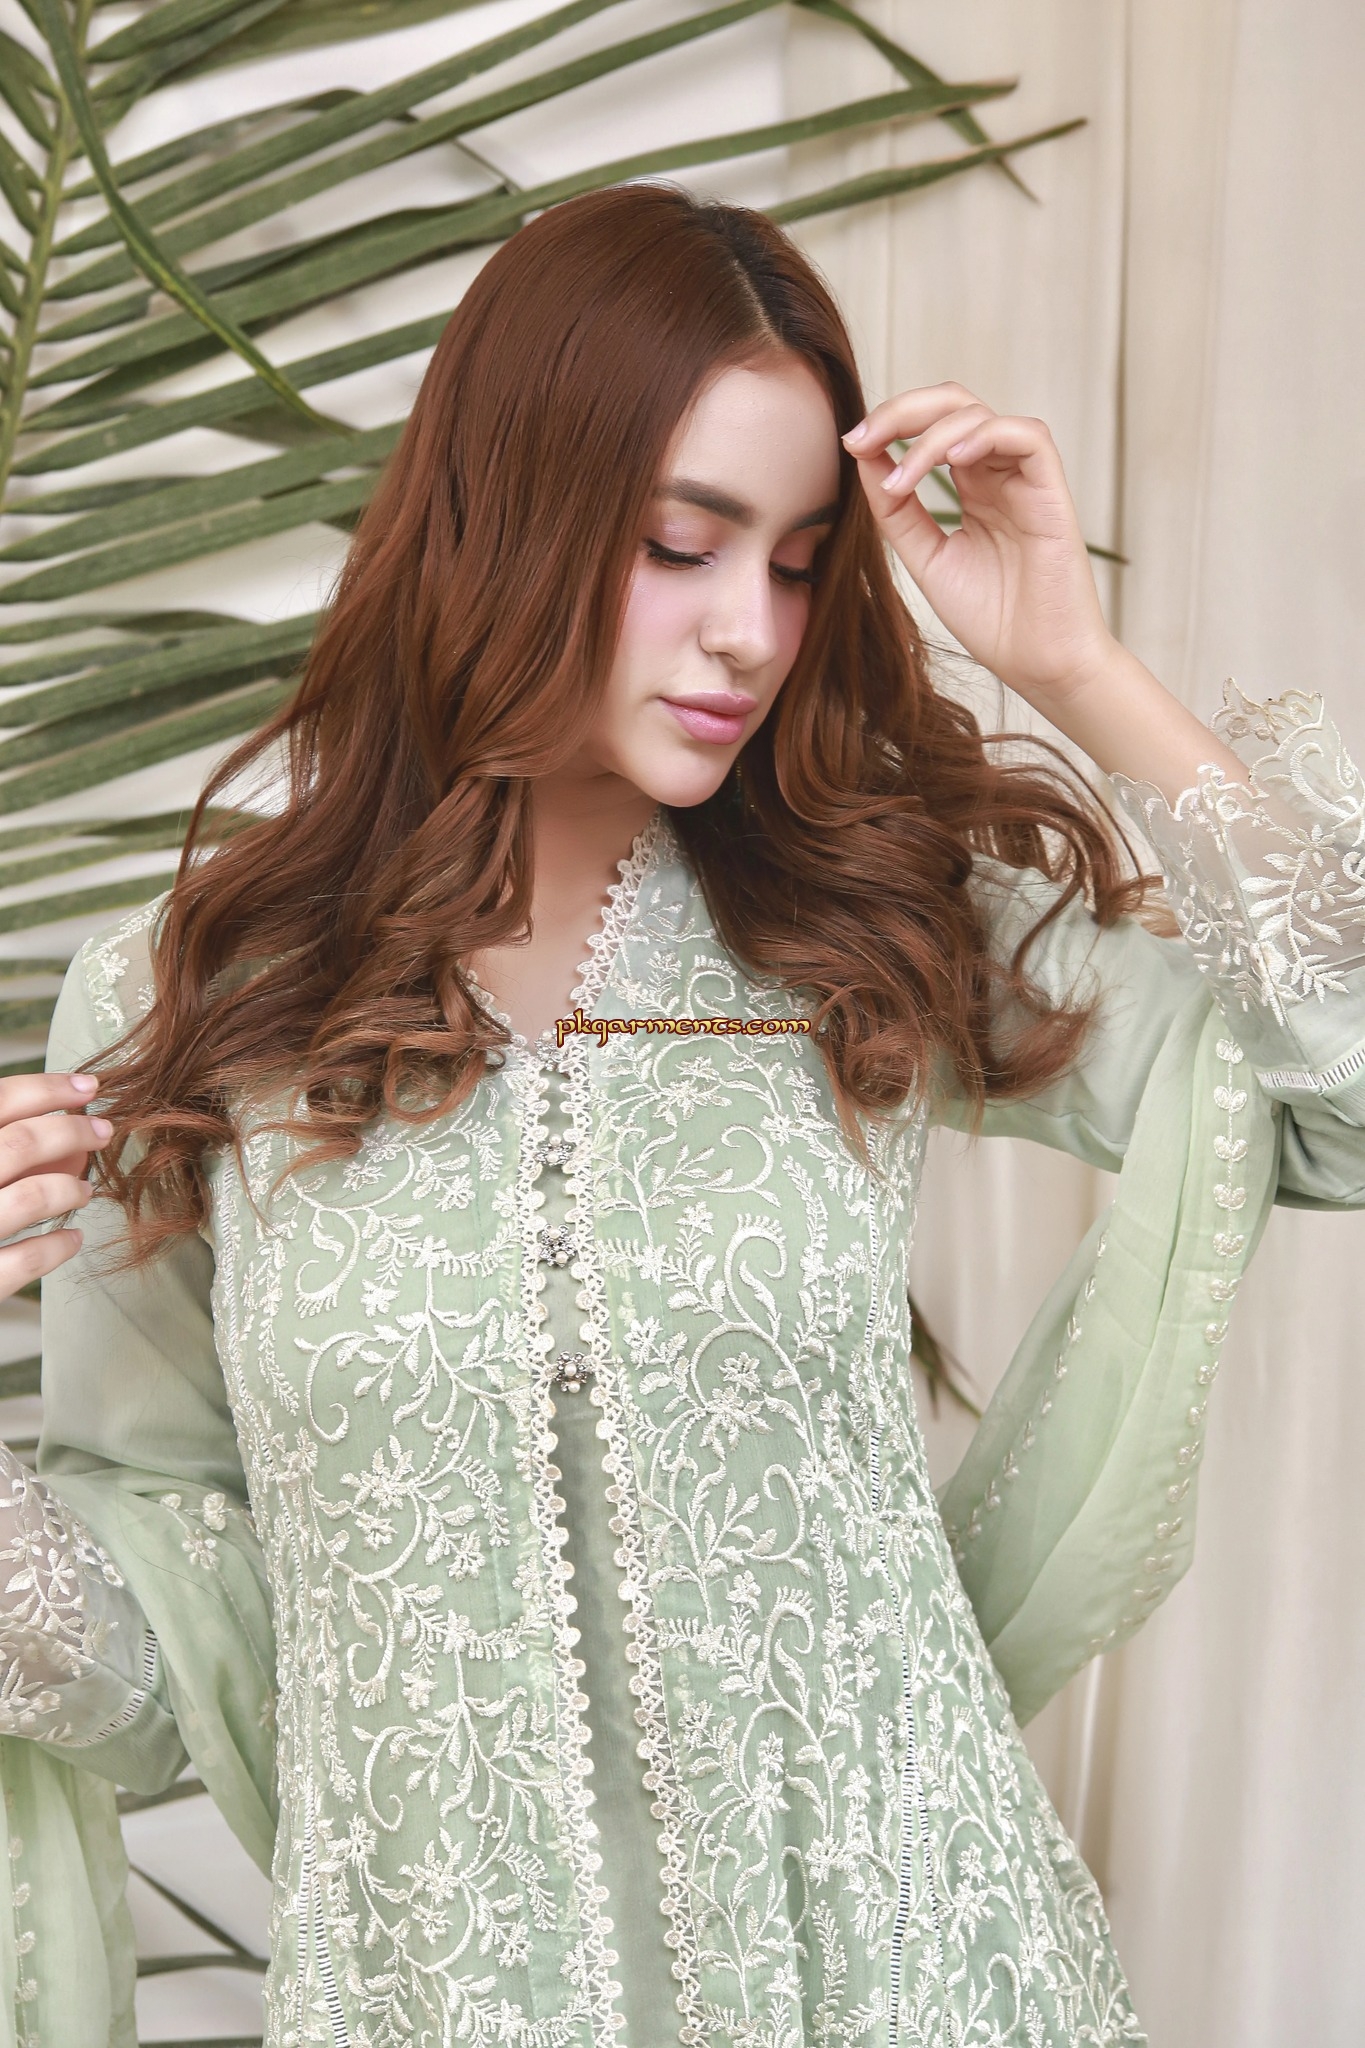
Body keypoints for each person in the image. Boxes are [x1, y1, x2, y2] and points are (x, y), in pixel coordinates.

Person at [1, 182, 1362, 2048]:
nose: (749, 632)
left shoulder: (869, 924)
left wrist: (1072, 666)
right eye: (679, 545)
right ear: (509, 513)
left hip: (914, 1981)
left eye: (798, 563)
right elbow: (163, 1680)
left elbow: (1343, 1094)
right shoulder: (200, 998)